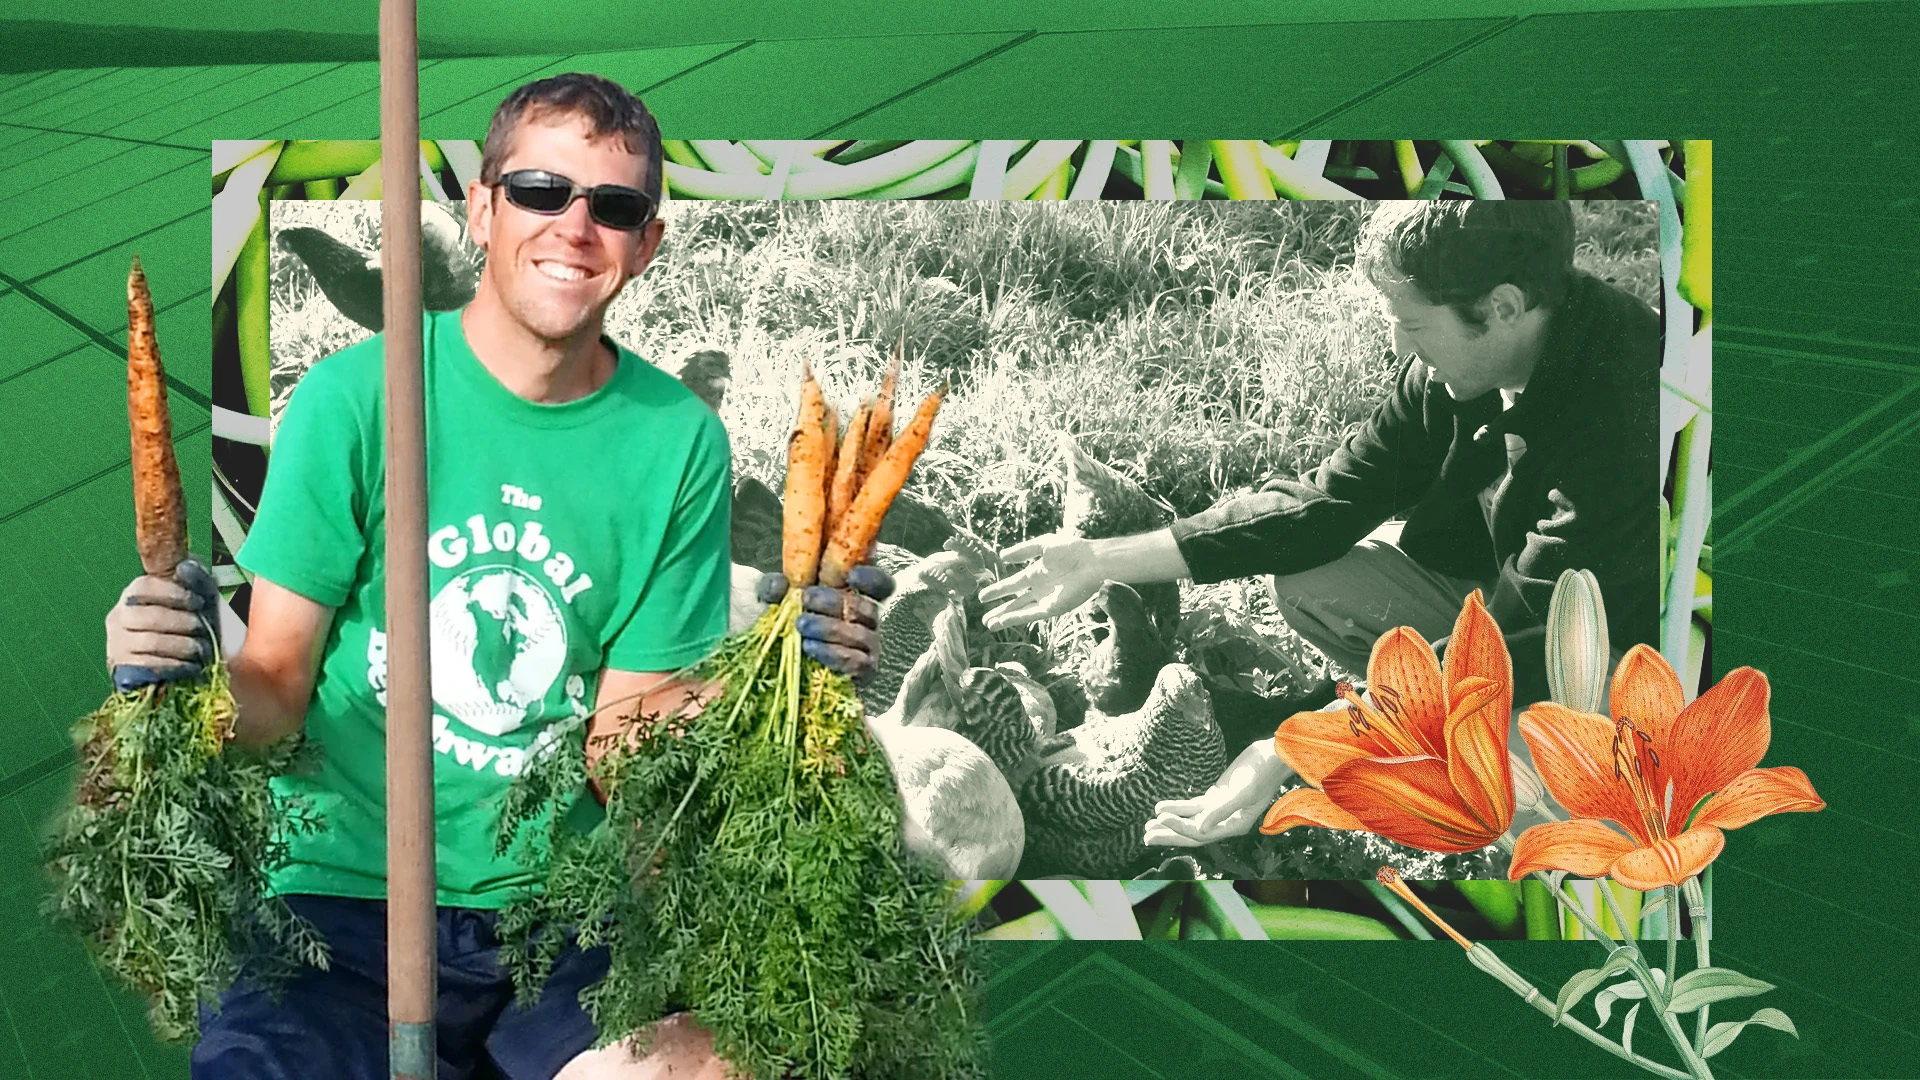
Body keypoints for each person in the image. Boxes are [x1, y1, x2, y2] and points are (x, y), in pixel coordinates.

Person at [103, 73, 889, 1080]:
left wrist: (760, 677)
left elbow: (623, 739)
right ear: (481, 207)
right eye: (540, 191)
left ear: (645, 243)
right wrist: (186, 682)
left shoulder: (675, 442)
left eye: (615, 208)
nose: (576, 227)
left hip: (563, 917)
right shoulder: (359, 398)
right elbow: (277, 690)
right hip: (339, 906)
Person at [980, 200, 1660, 850]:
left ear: (1503, 307)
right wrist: (1100, 559)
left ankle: (1600, 796)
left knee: (1519, 794)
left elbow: (1523, 644)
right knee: (1316, 579)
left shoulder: (1629, 410)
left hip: (1620, 654)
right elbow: (1326, 505)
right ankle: (1402, 727)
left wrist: (1291, 745)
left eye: (1414, 324)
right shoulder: (1466, 361)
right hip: (1516, 608)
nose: (1398, 344)